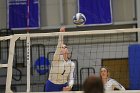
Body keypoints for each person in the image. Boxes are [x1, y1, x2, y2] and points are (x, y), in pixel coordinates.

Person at [45, 26, 75, 92]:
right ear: (60, 51)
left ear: (67, 50)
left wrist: (70, 86)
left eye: (65, 47)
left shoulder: (71, 64)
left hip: (64, 84)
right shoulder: (56, 58)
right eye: (61, 47)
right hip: (52, 85)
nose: (63, 48)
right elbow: (59, 44)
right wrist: (61, 34)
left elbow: (71, 77)